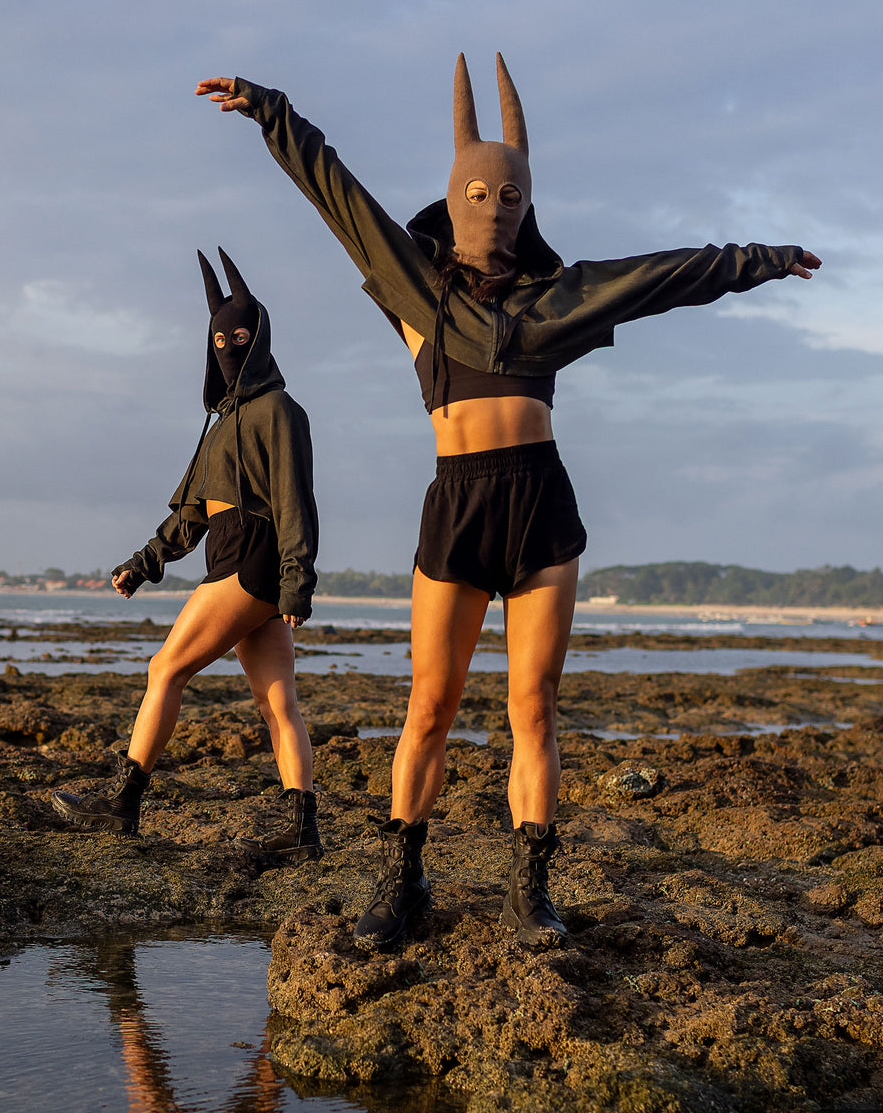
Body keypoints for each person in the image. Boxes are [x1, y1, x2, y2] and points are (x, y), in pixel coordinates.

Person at [196, 56, 821, 948]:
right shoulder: (416, 289)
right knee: (429, 707)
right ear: (457, 197)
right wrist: (271, 111)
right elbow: (339, 197)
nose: (495, 208)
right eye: (480, 193)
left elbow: (663, 276)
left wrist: (763, 261)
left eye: (512, 197)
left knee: (534, 705)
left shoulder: (556, 300)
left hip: (541, 508)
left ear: (528, 207)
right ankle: (402, 881)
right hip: (458, 509)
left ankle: (530, 890)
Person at [51, 249, 322, 866]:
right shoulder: (220, 422)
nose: (229, 347)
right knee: (277, 702)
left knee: (164, 670)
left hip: (252, 556)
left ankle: (122, 801)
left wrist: (297, 582)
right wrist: (144, 563)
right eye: (219, 339)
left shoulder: (279, 411)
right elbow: (192, 515)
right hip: (233, 552)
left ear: (261, 339)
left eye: (240, 337)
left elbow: (294, 499)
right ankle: (301, 831)